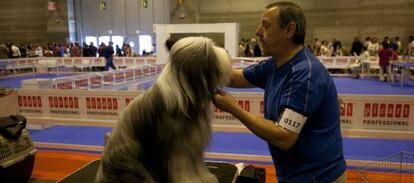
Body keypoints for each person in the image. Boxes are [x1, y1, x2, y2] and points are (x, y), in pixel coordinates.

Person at [213, 2, 346, 182]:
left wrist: (234, 108)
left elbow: (284, 137)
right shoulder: (275, 64)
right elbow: (234, 78)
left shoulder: (306, 74)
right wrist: (199, 63)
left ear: (289, 30)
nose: (258, 31)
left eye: (266, 26)